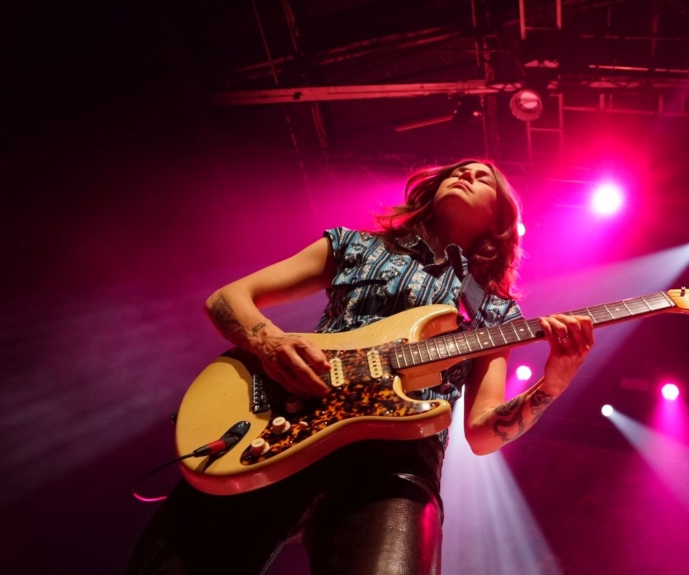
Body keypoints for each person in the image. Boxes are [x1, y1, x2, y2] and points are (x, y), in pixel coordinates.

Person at [126, 159, 595, 574]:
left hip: (392, 469)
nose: (466, 174)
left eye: (483, 179)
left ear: (499, 220)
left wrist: (553, 382)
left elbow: (482, 432)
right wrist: (269, 343)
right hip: (283, 422)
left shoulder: (494, 313)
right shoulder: (355, 246)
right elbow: (227, 299)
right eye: (458, 170)